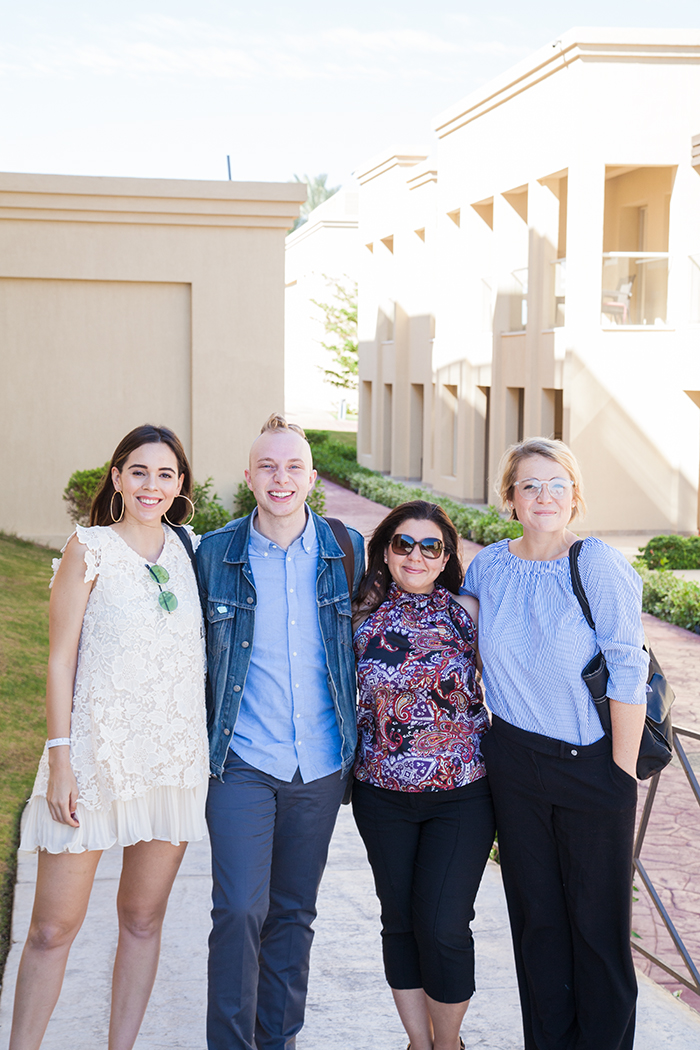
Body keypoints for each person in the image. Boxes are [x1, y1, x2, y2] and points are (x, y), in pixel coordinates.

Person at [9, 424, 209, 1050]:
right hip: (94, 762)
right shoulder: (88, 548)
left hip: (173, 765)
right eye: (140, 472)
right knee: (51, 929)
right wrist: (60, 759)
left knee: (143, 921)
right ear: (118, 477)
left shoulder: (193, 549)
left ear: (181, 486)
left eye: (166, 474)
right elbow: (59, 660)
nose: (152, 486)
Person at [462, 437, 648, 1050]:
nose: (543, 496)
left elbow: (628, 669)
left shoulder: (596, 563)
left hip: (593, 767)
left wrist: (620, 777)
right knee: (536, 925)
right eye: (530, 485)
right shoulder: (489, 566)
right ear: (509, 498)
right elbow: (451, 639)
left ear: (574, 497)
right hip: (514, 764)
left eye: (556, 485)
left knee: (597, 932)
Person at [196, 413, 365, 1050]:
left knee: (293, 914)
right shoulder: (214, 554)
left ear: (312, 478)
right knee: (240, 909)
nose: (280, 478)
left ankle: (278, 1041)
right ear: (248, 476)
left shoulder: (343, 551)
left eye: (293, 466)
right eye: (267, 466)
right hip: (241, 759)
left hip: (319, 763)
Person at [351, 500, 495, 1050]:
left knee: (444, 925)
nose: (416, 554)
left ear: (446, 557)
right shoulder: (360, 617)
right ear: (386, 553)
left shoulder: (468, 613)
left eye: (430, 545)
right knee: (400, 921)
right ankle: (418, 1042)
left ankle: (449, 1044)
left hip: (461, 796)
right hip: (381, 795)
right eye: (403, 544)